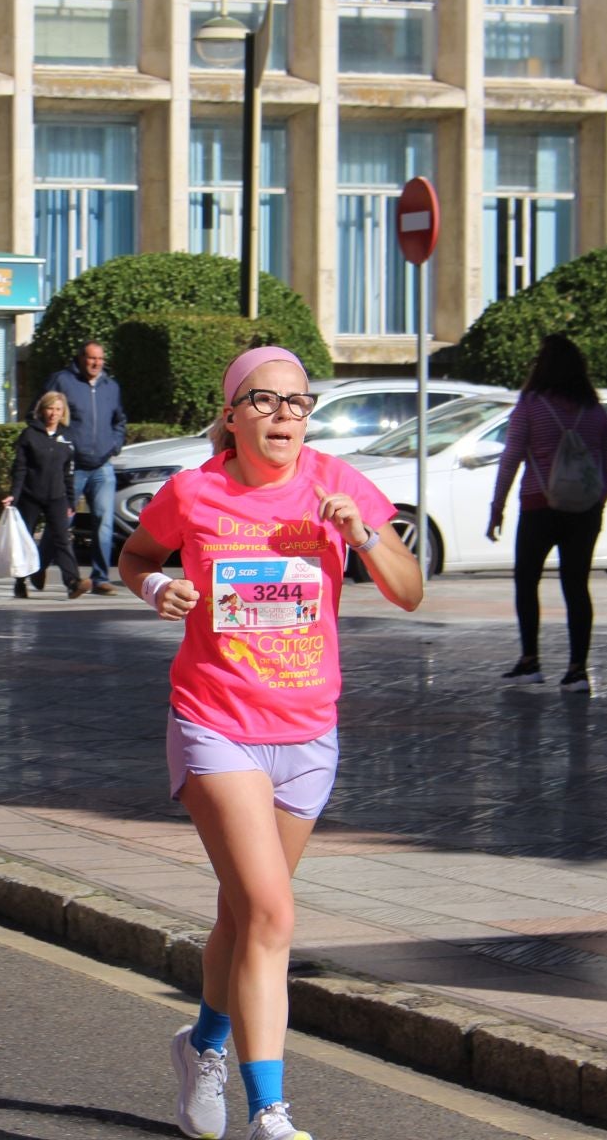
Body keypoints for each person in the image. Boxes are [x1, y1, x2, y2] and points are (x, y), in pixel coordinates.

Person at [118, 346, 423, 1140]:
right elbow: (137, 555)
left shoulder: (336, 484)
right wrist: (158, 586)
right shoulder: (194, 492)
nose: (285, 415)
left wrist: (363, 536)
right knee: (272, 913)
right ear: (230, 414)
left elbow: (411, 590)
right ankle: (273, 1114)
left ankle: (203, 1047)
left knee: (247, 917)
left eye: (298, 402)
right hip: (216, 722)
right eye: (264, 401)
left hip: (308, 732)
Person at [486, 334, 607, 695]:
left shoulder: (531, 405)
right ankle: (578, 670)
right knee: (577, 587)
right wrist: (600, 499)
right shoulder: (593, 408)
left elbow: (511, 457)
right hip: (585, 511)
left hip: (538, 506)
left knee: (527, 582)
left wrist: (497, 507)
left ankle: (530, 661)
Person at [44, 340, 126, 593]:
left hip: (102, 466)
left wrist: (115, 445)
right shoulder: (62, 381)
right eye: (92, 358)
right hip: (72, 467)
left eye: (100, 359)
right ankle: (37, 568)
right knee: (60, 521)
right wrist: (59, 448)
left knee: (104, 521)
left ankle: (101, 578)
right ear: (80, 358)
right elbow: (39, 413)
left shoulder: (110, 386)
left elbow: (119, 420)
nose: (96, 363)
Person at [2, 390, 85, 599]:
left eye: (58, 409)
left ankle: (73, 582)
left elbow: (69, 472)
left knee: (62, 538)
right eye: (50, 408)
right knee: (25, 538)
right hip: (30, 495)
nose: (53, 413)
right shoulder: (29, 435)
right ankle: (21, 582)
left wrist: (71, 500)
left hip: (57, 497)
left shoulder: (67, 437)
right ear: (42, 410)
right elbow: (20, 468)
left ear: (63, 412)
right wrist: (14, 494)